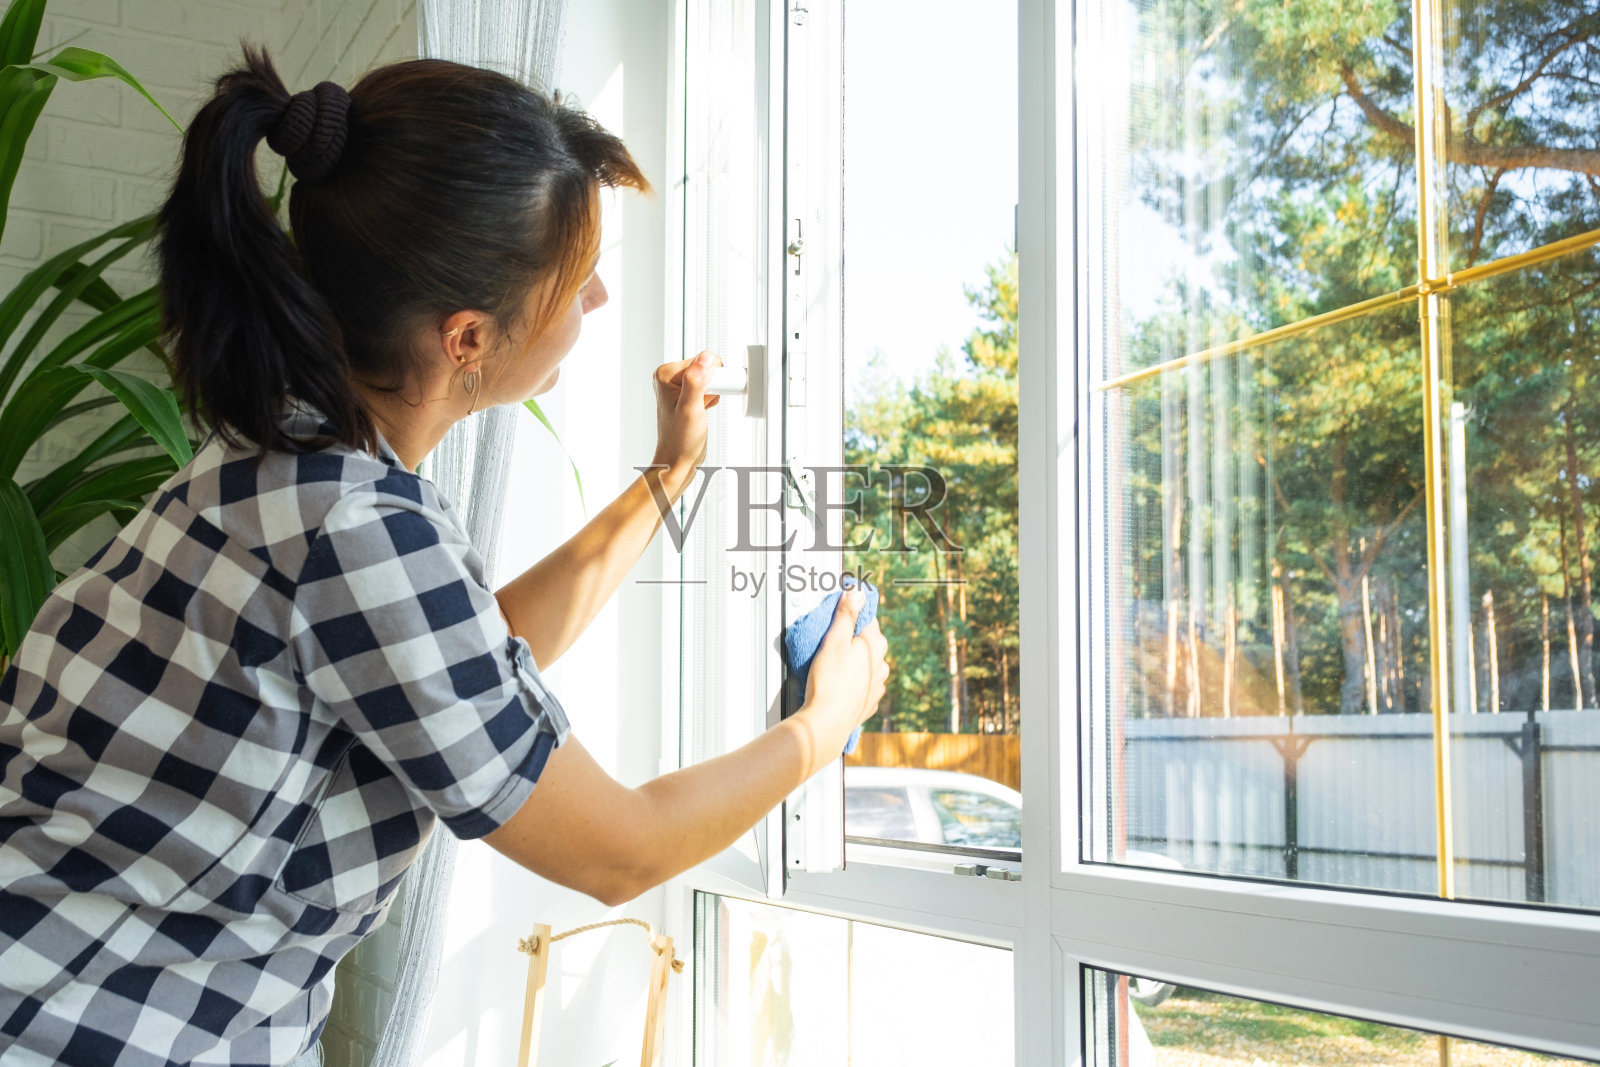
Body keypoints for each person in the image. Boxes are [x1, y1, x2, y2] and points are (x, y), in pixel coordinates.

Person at [0, 48, 888, 1066]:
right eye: (574, 278)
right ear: (466, 337)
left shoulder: (275, 464)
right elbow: (618, 849)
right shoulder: (362, 526)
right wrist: (827, 721)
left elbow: (457, 662)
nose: (597, 300)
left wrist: (665, 478)